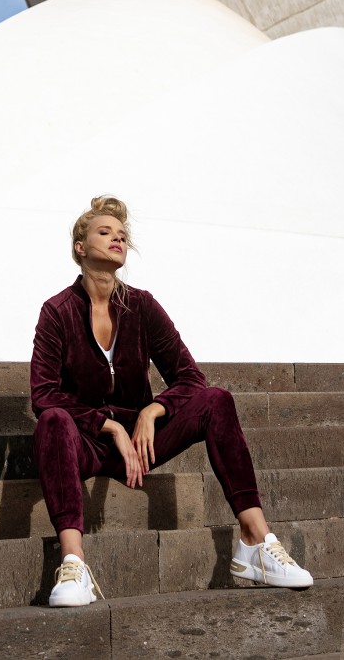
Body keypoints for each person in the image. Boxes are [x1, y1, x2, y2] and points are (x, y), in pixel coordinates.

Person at [31, 195, 313, 606]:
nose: (117, 239)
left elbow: (190, 377)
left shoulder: (142, 306)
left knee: (216, 399)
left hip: (142, 443)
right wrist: (108, 426)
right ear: (80, 247)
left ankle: (255, 540)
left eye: (122, 234)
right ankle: (74, 565)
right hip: (87, 442)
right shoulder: (57, 311)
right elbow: (43, 394)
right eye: (105, 232)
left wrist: (153, 410)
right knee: (53, 419)